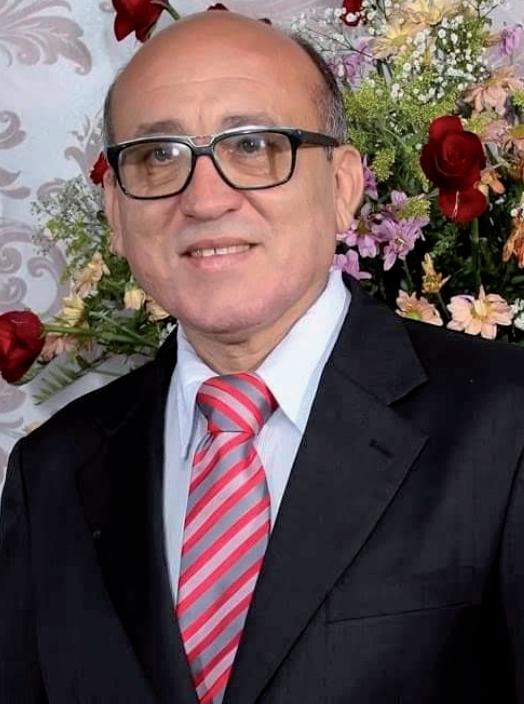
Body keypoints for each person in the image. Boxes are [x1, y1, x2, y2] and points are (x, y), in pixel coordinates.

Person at [1, 9, 524, 704]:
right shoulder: (51, 472)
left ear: (342, 187)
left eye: (253, 145)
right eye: (158, 156)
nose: (204, 198)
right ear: (117, 213)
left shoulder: (506, 423)